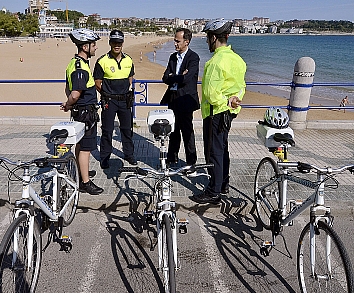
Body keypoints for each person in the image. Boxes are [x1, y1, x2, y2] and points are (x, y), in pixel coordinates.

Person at [190, 19, 246, 204]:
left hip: (215, 113)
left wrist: (224, 101)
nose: (207, 42)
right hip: (229, 113)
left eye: (207, 38)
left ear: (214, 38)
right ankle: (224, 184)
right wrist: (234, 100)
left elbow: (210, 94)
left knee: (213, 152)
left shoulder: (215, 62)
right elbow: (241, 86)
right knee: (223, 149)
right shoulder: (238, 59)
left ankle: (214, 191)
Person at [60, 28, 103, 195]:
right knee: (86, 148)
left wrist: (70, 104)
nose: (96, 48)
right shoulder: (80, 68)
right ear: (85, 47)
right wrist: (69, 104)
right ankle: (85, 183)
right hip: (86, 113)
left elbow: (67, 87)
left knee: (80, 144)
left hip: (82, 111)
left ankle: (80, 172)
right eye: (94, 45)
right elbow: (75, 93)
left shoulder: (76, 63)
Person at [93, 29, 137, 169]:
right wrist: (107, 94)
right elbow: (97, 82)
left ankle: (129, 154)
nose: (116, 45)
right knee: (107, 130)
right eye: (114, 42)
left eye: (119, 42)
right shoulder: (102, 61)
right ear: (110, 42)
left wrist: (124, 91)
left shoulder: (129, 60)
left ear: (122, 43)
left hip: (125, 100)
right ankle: (105, 157)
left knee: (127, 129)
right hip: (109, 101)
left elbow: (130, 78)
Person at [161, 28, 200, 166]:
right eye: (174, 40)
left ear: (186, 42)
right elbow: (165, 77)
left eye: (178, 41)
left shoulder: (193, 57)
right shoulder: (173, 57)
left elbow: (187, 79)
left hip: (186, 99)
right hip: (173, 98)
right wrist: (177, 77)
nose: (175, 43)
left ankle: (191, 162)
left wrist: (175, 77)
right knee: (173, 130)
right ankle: (172, 158)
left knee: (187, 132)